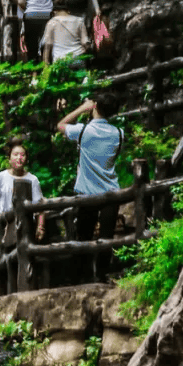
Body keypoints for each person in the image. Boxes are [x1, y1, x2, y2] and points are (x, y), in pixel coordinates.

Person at [57, 92, 123, 277]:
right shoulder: (119, 133)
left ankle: (83, 276)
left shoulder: (83, 131)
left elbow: (61, 126)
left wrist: (81, 109)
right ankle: (102, 275)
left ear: (95, 107)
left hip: (87, 191)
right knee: (106, 237)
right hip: (112, 192)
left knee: (84, 236)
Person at [0, 141, 45, 239]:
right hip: (5, 226)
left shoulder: (33, 179)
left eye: (22, 155)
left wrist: (40, 227)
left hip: (26, 228)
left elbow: (39, 208)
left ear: (26, 159)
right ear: (9, 158)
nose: (19, 158)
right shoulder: (1, 177)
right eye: (15, 155)